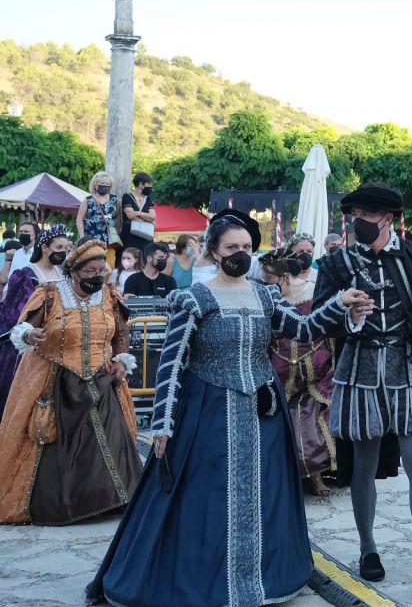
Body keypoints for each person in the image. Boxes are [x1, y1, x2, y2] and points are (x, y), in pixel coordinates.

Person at [88, 215, 370, 606]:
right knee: (205, 497)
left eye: (246, 248)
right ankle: (208, 578)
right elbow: (172, 363)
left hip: (263, 413)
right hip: (207, 410)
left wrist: (341, 305)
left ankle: (258, 578)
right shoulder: (195, 298)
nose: (240, 254)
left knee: (264, 493)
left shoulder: (265, 295)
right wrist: (163, 424)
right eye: (232, 247)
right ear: (214, 252)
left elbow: (304, 328)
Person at [317, 183, 412, 588]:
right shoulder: (336, 263)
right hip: (360, 369)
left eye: (366, 215)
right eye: (355, 216)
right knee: (364, 462)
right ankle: (368, 549)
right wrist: (350, 317)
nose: (358, 222)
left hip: (408, 371)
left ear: (386, 219)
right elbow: (321, 319)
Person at [0, 238, 139, 526]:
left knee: (111, 440)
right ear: (74, 271)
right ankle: (66, 506)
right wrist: (28, 335)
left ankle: (110, 501)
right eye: (90, 271)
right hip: (57, 381)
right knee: (59, 444)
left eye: (101, 271)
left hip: (102, 379)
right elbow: (24, 326)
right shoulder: (50, 294)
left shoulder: (110, 296)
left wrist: (121, 360)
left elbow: (121, 332)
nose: (96, 276)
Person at [262, 247, 338, 498]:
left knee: (310, 418)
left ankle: (317, 475)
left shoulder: (314, 293)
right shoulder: (268, 299)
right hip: (280, 367)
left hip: (316, 365)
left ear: (284, 277)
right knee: (282, 420)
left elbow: (327, 327)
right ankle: (286, 478)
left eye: (269, 278)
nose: (266, 283)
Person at [0, 226, 69, 417]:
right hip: (29, 347)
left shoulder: (63, 275)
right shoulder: (25, 275)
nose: (63, 252)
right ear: (45, 248)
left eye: (65, 248)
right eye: (59, 247)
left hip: (58, 344)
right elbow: (12, 314)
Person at [77, 171, 119, 247]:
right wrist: (82, 237)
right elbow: (79, 219)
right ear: (95, 185)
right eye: (102, 183)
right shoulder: (88, 200)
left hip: (110, 240)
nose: (105, 185)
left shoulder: (114, 200)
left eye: (107, 184)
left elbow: (119, 219)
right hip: (90, 239)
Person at [119, 171, 156, 253]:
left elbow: (153, 216)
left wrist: (138, 213)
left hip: (146, 236)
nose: (150, 186)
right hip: (130, 235)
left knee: (146, 256)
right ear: (141, 184)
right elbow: (130, 215)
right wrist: (148, 219)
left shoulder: (148, 198)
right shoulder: (127, 197)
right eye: (149, 184)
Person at [0, 221, 38, 287]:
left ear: (35, 235)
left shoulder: (40, 254)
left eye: (26, 232)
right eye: (21, 232)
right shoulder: (17, 253)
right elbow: (6, 278)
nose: (23, 234)